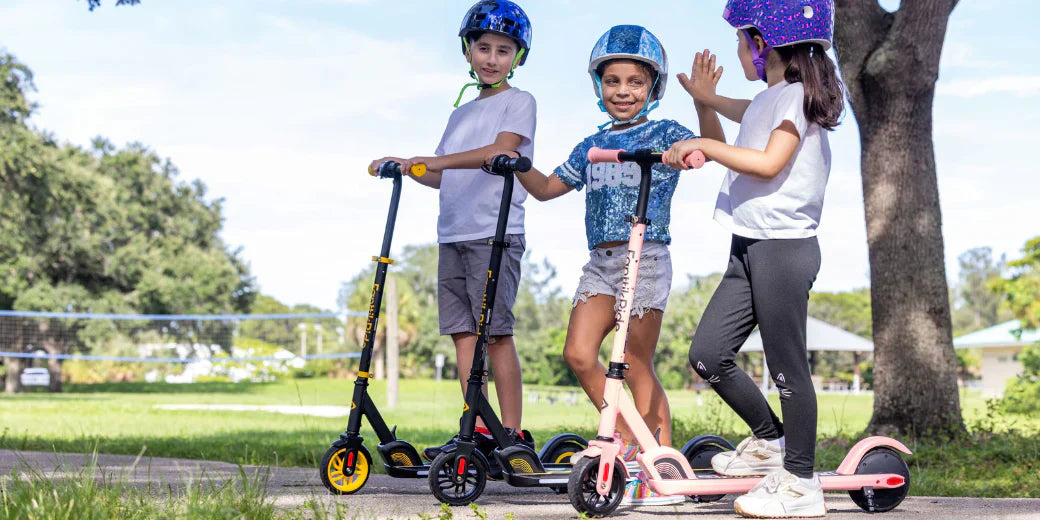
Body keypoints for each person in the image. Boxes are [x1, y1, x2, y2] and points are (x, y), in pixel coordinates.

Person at [489, 25, 694, 506]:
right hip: (600, 262)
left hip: (645, 258)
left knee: (635, 361)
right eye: (613, 81)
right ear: (599, 86)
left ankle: (662, 459)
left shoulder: (665, 132)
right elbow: (545, 189)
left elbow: (701, 148)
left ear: (652, 87)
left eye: (635, 82)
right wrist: (517, 162)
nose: (623, 91)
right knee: (579, 354)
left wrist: (688, 147)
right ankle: (625, 441)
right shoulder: (590, 144)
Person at [663, 0, 845, 517]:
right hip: (748, 245)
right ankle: (770, 444)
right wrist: (703, 101)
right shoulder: (768, 100)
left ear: (763, 44)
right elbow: (726, 137)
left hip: (785, 249)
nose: (738, 51)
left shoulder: (794, 98)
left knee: (788, 369)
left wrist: (703, 141)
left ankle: (802, 483)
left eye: (742, 41)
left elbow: (766, 164)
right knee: (708, 354)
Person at [368, 0, 536, 463]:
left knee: (495, 333)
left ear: (518, 58)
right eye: (483, 47)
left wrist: (432, 160)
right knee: (464, 335)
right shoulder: (461, 113)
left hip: (494, 234)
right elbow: (440, 174)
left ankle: (514, 432)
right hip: (454, 234)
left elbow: (498, 151)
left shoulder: (519, 103)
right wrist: (405, 165)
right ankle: (475, 428)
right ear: (467, 51)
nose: (492, 58)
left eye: (504, 50)